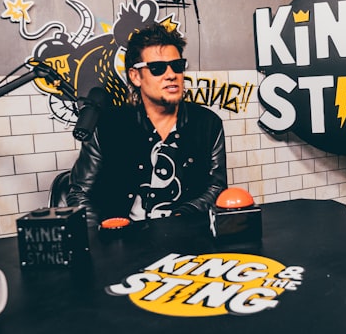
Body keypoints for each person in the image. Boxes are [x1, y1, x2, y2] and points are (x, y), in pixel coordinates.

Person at [67, 22, 227, 226]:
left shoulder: (207, 123)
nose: (171, 75)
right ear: (135, 76)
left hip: (189, 238)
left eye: (177, 66)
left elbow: (217, 188)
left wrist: (182, 217)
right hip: (124, 245)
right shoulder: (107, 127)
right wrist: (100, 238)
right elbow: (80, 193)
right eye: (157, 68)